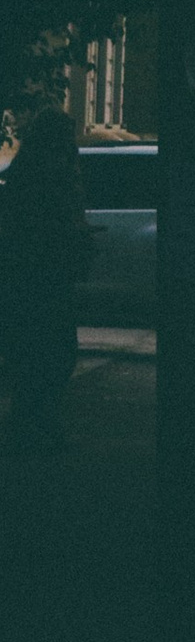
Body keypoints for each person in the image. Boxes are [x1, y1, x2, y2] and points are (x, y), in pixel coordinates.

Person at [0, 108, 90, 450]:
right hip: (41, 278)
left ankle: (32, 424)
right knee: (49, 354)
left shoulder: (29, 172)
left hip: (33, 277)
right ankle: (34, 425)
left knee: (39, 355)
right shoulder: (49, 175)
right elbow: (45, 227)